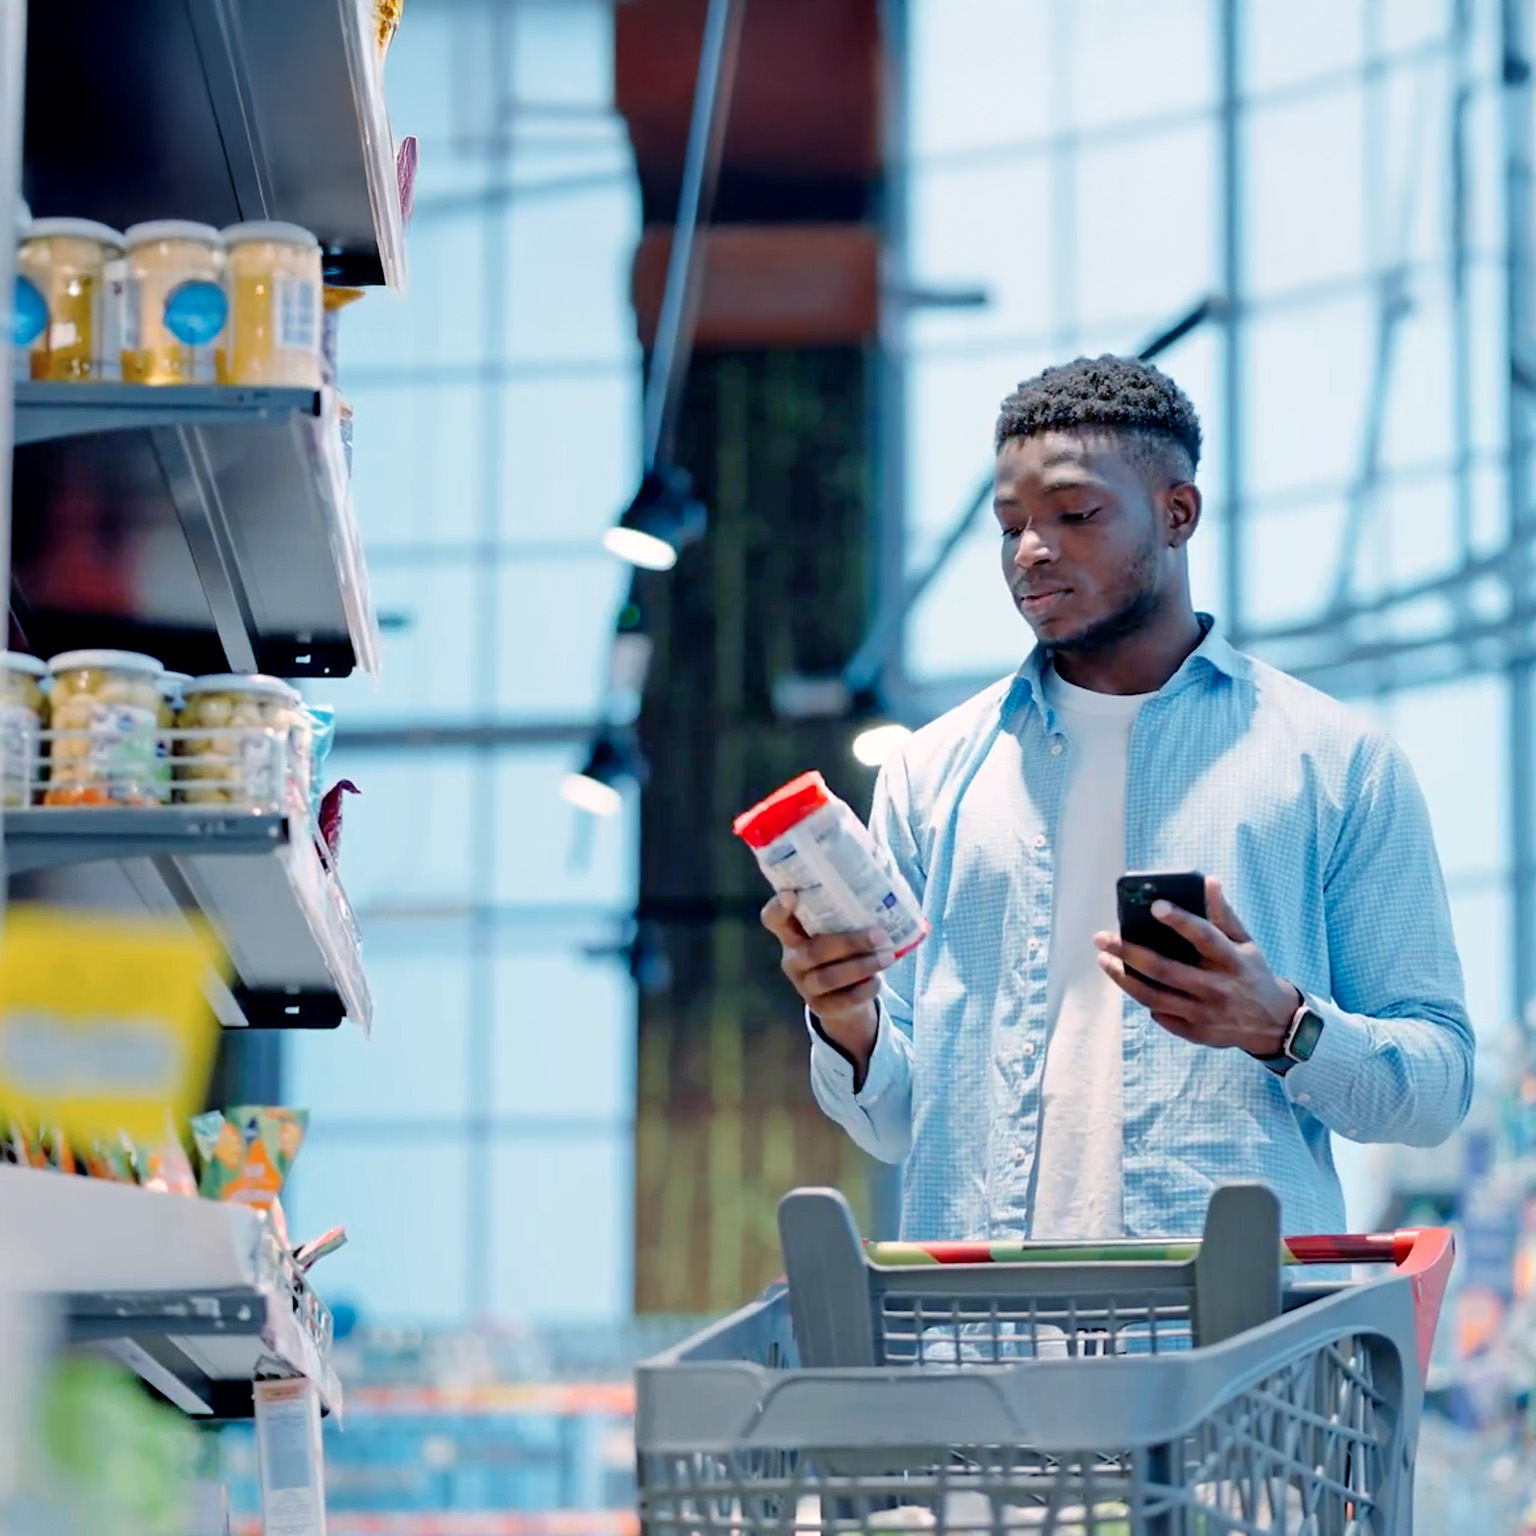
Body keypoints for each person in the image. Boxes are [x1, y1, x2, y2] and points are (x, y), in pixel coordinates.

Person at [761, 354, 1474, 1242]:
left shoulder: (1334, 761)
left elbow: (1438, 1088)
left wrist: (1281, 1024)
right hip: (983, 1336)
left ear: (1178, 514)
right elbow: (898, 1121)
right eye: (1010, 523)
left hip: (1227, 1335)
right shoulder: (932, 772)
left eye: (1076, 514)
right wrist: (847, 1020)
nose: (1030, 549)